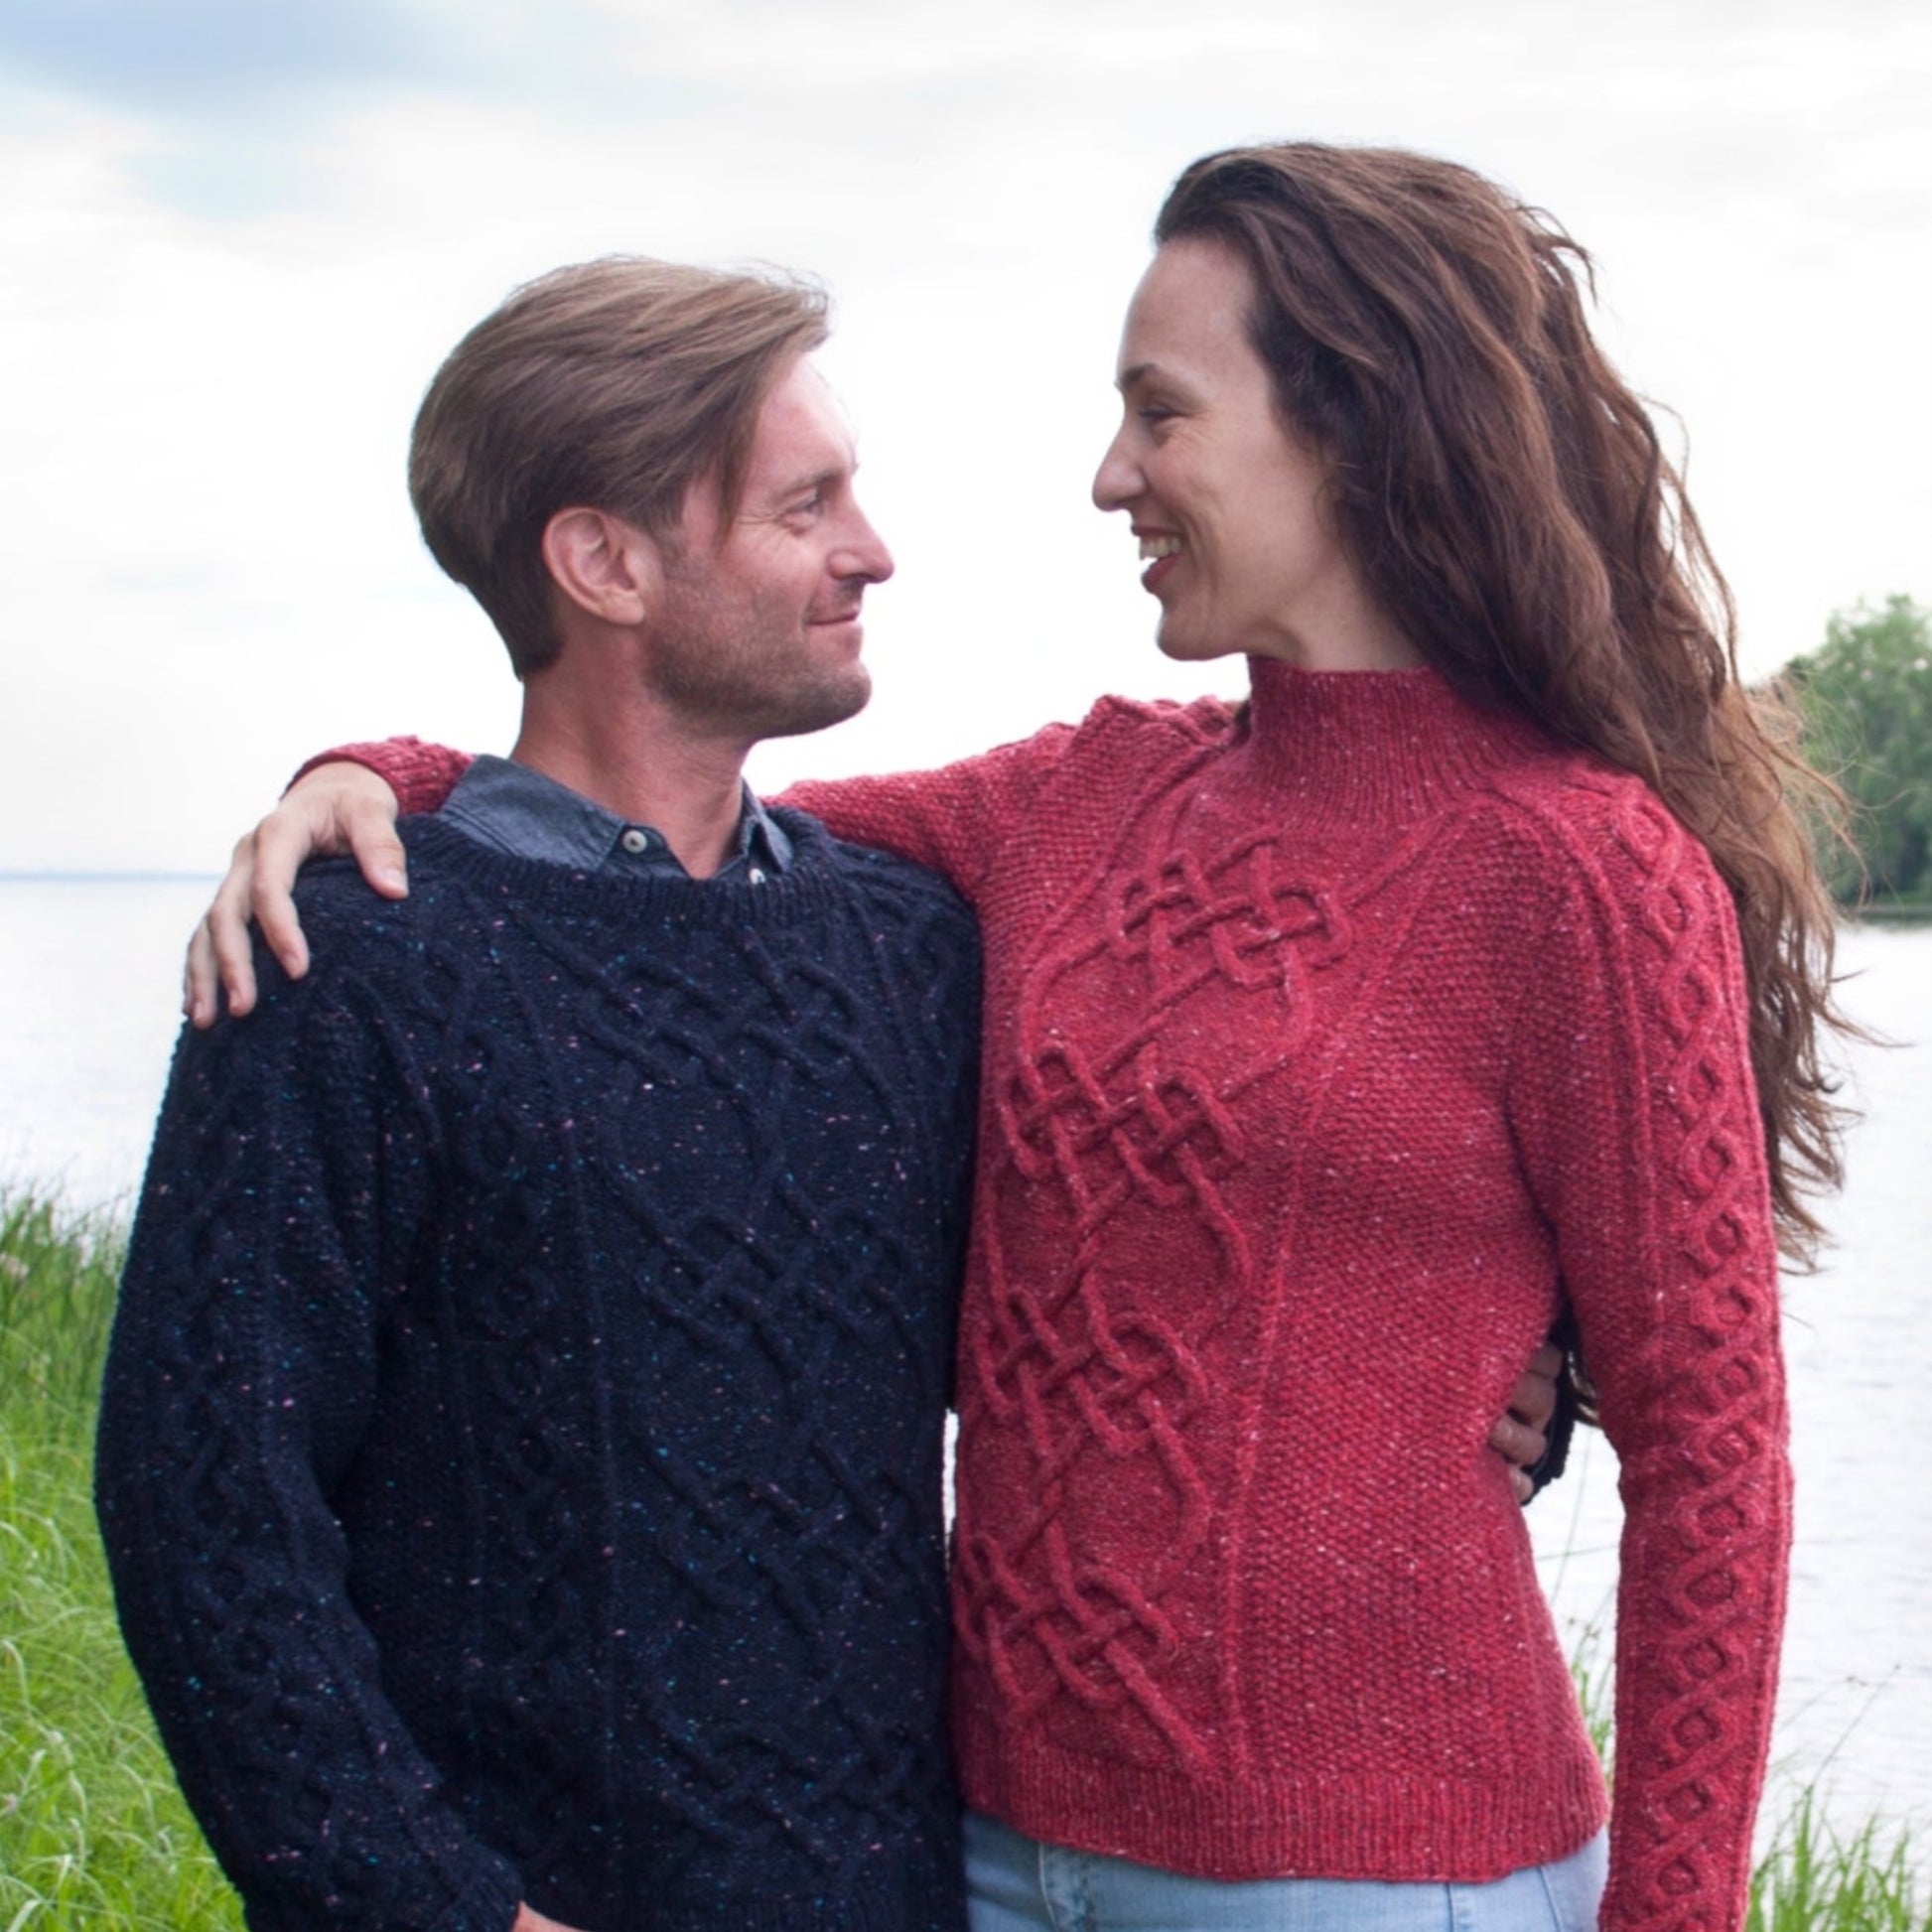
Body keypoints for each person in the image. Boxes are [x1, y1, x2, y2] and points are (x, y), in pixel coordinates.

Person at [196, 144, 1815, 1932]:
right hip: (976, 1856)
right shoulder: (1073, 802)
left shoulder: (1582, 867)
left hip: (1365, 1871)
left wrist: (1672, 1910)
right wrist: (375, 783)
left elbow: (1712, 1445)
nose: (1110, 473)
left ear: (1349, 427)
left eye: (1158, 414)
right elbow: (659, 826)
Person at [96, 257, 989, 1931]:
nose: (873, 548)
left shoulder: (913, 948)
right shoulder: (346, 965)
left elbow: (1134, 1299)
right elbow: (206, 1508)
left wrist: (1509, 1376)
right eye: (809, 505)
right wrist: (437, 1910)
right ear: (602, 562)